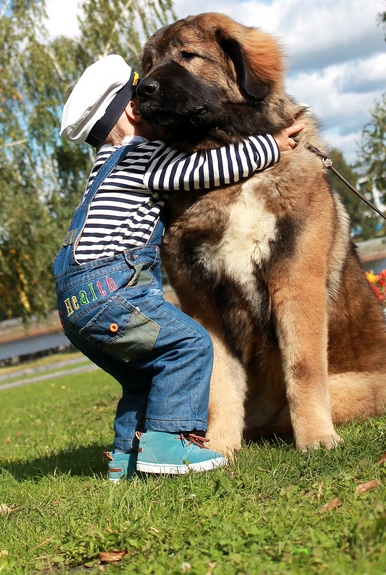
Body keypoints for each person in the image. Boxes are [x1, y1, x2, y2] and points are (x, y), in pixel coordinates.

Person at [54, 54, 304, 481]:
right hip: (111, 289)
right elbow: (206, 169)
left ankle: (126, 458)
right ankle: (171, 445)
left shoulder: (104, 167)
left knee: (142, 377)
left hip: (76, 301)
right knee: (188, 344)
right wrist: (272, 145)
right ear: (134, 107)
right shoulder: (142, 157)